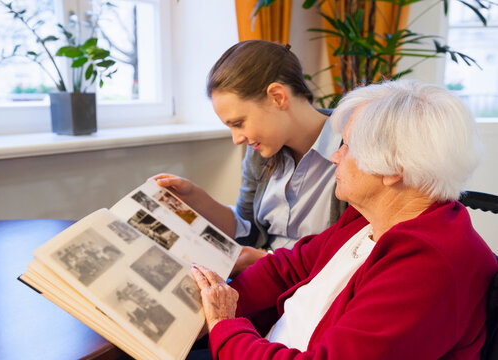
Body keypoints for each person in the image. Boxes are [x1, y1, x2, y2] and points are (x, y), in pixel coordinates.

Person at [189, 79, 498, 359]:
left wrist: (224, 327)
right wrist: (204, 314)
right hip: (261, 344)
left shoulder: (428, 267)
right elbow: (287, 268)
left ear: (394, 168)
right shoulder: (369, 217)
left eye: (347, 146)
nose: (336, 156)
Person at [153, 40, 346, 275]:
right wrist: (193, 197)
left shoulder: (355, 148)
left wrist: (266, 261)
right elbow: (249, 229)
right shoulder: (261, 155)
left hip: (316, 289)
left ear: (277, 97)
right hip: (265, 280)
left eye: (239, 123)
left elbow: (355, 252)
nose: (237, 139)